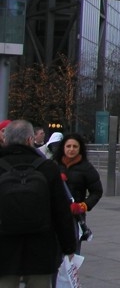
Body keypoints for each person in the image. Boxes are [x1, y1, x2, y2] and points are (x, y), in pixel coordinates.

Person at [0, 120, 76, 287]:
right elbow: (61, 211)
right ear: (30, 140)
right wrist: (69, 247)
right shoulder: (47, 167)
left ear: (5, 139)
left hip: (4, 249)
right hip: (40, 248)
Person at [55, 133, 103, 254]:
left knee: (73, 251)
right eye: (68, 146)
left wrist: (83, 206)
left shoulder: (86, 168)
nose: (71, 149)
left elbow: (97, 191)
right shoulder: (53, 165)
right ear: (63, 147)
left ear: (80, 148)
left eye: (75, 146)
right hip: (55, 215)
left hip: (74, 216)